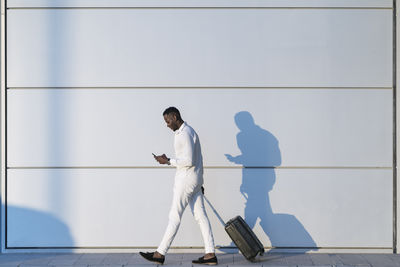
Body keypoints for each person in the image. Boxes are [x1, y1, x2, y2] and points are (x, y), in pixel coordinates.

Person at [140, 107, 218, 265]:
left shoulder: (185, 134)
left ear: (175, 117)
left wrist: (168, 161)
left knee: (174, 216)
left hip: (186, 181)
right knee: (201, 216)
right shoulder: (189, 132)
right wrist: (199, 182)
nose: (167, 125)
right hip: (194, 181)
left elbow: (189, 161)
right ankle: (210, 254)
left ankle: (160, 253)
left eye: (168, 121)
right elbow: (198, 159)